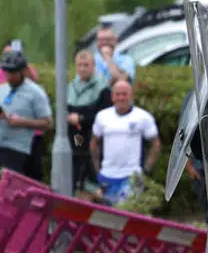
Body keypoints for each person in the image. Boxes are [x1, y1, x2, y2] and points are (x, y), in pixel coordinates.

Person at [91, 79, 159, 206]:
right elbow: (94, 143)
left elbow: (155, 144)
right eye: (117, 94)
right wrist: (97, 170)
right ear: (112, 97)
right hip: (107, 175)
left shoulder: (143, 117)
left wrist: (145, 170)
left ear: (131, 96)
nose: (121, 98)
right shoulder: (102, 116)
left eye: (124, 94)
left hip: (132, 176)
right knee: (107, 214)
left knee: (126, 212)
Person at [0, 50, 52, 176]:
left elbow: (47, 123)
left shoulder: (36, 93)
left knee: (6, 178)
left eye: (13, 73)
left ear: (23, 71)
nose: (9, 77)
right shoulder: (1, 89)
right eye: (7, 72)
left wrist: (21, 122)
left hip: (16, 148)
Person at [66, 49, 110, 194]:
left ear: (93, 65)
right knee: (75, 175)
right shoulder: (71, 86)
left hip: (93, 139)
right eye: (79, 65)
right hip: (75, 139)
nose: (82, 68)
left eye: (86, 65)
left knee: (93, 178)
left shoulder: (103, 87)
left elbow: (104, 114)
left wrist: (81, 118)